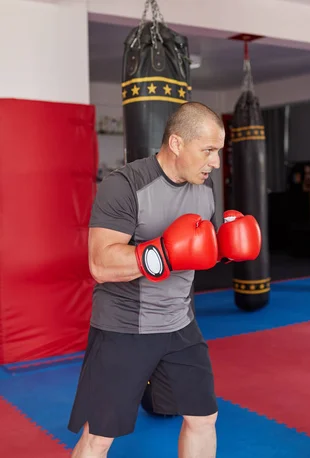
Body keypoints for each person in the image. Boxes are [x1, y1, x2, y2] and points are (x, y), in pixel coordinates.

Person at [67, 102, 261, 458]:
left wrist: (223, 250)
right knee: (100, 435)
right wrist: (163, 253)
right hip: (124, 328)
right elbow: (100, 263)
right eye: (208, 151)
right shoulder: (124, 185)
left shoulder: (203, 189)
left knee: (204, 417)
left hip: (179, 325)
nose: (215, 162)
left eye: (218, 151)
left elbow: (194, 250)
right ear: (176, 143)